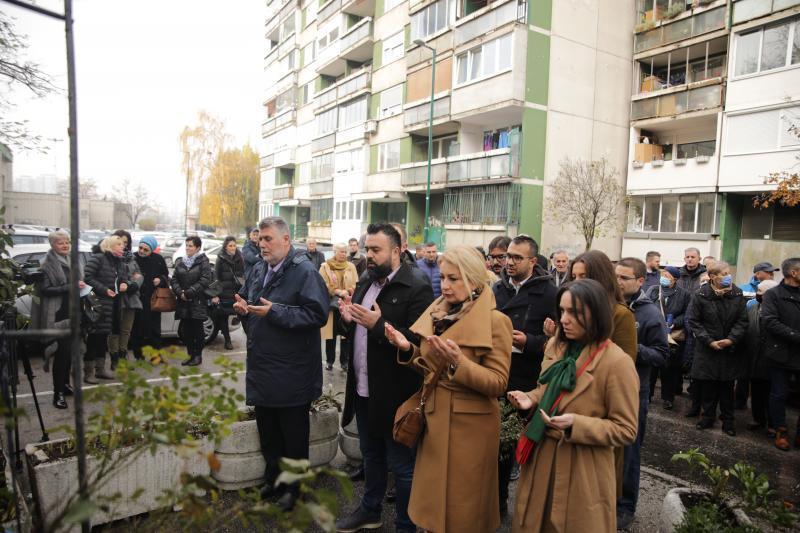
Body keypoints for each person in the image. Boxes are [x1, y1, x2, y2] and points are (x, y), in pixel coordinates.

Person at [384, 245, 513, 533]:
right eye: (442, 277)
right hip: (435, 419)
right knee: (433, 510)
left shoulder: (496, 322)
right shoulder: (439, 312)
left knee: (463, 512)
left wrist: (459, 363)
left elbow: (498, 383)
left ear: (473, 279)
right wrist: (407, 349)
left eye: (453, 279)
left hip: (471, 430)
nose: (445, 285)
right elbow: (432, 370)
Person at [507, 279, 640, 533]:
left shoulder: (617, 363)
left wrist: (576, 424)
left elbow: (626, 429)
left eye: (574, 312)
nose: (564, 319)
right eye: (563, 311)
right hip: (540, 459)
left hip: (582, 470)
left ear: (597, 314)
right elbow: (547, 390)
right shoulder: (559, 346)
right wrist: (531, 399)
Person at [335, 223, 434, 533]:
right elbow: (356, 329)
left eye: (376, 250)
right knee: (371, 456)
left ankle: (406, 525)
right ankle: (370, 510)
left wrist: (379, 326)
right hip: (363, 388)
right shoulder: (366, 279)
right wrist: (347, 320)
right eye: (367, 249)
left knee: (402, 467)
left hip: (395, 395)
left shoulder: (416, 286)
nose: (369, 255)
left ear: (397, 251)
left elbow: (420, 343)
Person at [233, 217, 329, 510]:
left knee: (293, 436)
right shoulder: (259, 268)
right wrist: (243, 310)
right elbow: (254, 309)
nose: (261, 244)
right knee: (269, 431)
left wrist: (275, 312)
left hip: (293, 371)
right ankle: (273, 479)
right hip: (263, 366)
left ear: (286, 240)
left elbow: (317, 315)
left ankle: (295, 488)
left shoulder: (305, 272)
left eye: (268, 239)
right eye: (260, 239)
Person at [492, 235, 557, 515]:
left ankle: (515, 503)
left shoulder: (549, 294)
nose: (509, 262)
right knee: (495, 444)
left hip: (527, 378)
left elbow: (559, 343)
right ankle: (495, 498)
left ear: (533, 261)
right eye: (508, 256)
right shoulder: (497, 290)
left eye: (517, 258)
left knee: (518, 444)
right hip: (496, 371)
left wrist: (528, 342)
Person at [615, 257, 670, 529]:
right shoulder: (609, 307)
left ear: (640, 281)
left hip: (636, 390)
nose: (618, 282)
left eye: (624, 278)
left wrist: (630, 348)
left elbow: (662, 355)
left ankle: (625, 506)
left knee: (629, 449)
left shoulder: (650, 314)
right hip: (608, 388)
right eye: (616, 276)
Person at [687, 260, 748, 437]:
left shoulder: (737, 293)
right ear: (712, 277)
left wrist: (731, 339)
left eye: (729, 273)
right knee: (709, 386)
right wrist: (709, 341)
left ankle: (728, 421)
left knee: (727, 388)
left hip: (729, 349)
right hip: (708, 349)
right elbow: (695, 322)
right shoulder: (701, 294)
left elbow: (742, 321)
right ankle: (707, 417)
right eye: (724, 274)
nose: (728, 276)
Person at [31, 230, 81, 409]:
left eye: (67, 242)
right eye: (61, 243)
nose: (66, 245)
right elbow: (45, 290)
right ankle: (57, 394)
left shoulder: (70, 260)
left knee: (69, 354)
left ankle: (66, 386)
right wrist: (71, 286)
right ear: (53, 245)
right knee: (61, 356)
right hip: (57, 316)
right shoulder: (47, 264)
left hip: (71, 313)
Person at [85, 235, 142, 375]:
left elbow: (124, 278)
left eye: (123, 244)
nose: (123, 246)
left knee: (103, 337)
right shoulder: (98, 258)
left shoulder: (119, 262)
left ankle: (100, 370)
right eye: (119, 244)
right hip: (98, 304)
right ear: (110, 246)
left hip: (113, 304)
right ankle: (88, 372)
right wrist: (104, 289)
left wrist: (125, 283)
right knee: (94, 338)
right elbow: (87, 277)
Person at [565, 250, 637, 361]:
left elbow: (625, 362)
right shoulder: (569, 311)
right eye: (574, 277)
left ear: (600, 278)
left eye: (583, 276)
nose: (576, 282)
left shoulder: (621, 314)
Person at [760, 257, 800, 451]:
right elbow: (770, 322)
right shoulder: (773, 295)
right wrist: (795, 335)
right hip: (780, 353)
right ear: (794, 273)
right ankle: (780, 430)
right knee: (779, 394)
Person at [645, 265, 690, 409]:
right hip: (654, 333)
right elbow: (645, 307)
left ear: (675, 279)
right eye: (663, 274)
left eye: (667, 275)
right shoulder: (653, 290)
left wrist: (674, 323)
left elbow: (686, 314)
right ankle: (648, 395)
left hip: (673, 336)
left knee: (670, 369)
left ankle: (668, 398)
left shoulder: (684, 294)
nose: (664, 277)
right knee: (651, 367)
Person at [170, 235, 213, 367]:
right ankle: (190, 355)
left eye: (191, 246)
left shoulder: (203, 262)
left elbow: (205, 280)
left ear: (198, 248)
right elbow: (174, 279)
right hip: (183, 301)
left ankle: (198, 356)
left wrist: (189, 292)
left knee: (198, 331)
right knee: (186, 331)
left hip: (197, 301)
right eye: (186, 245)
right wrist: (180, 292)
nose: (188, 248)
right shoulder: (181, 262)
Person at [744, 279, 778, 436]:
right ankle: (758, 419)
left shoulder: (779, 311)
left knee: (772, 393)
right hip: (753, 358)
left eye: (761, 292)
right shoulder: (752, 307)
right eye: (758, 290)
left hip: (772, 359)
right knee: (756, 391)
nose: (758, 294)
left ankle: (774, 424)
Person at [320, 243, 358, 372]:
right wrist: (337, 291)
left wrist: (349, 291)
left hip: (347, 304)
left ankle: (344, 362)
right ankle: (330, 361)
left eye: (345, 251)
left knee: (346, 335)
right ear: (334, 252)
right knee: (331, 334)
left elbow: (356, 282)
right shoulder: (326, 266)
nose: (344, 254)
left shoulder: (351, 266)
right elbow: (322, 284)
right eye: (341, 251)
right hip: (331, 305)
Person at [131, 235, 169, 360]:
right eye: (140, 247)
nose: (141, 251)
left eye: (145, 249)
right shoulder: (133, 258)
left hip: (153, 300)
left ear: (152, 250)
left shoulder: (158, 259)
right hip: (137, 299)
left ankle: (156, 355)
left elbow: (166, 276)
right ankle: (139, 355)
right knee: (138, 330)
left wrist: (160, 280)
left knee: (154, 330)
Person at [110, 229, 143, 367]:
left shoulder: (132, 258)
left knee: (126, 330)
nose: (123, 245)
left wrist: (132, 284)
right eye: (120, 242)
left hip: (131, 298)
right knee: (114, 330)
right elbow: (110, 278)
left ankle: (123, 357)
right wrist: (129, 281)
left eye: (126, 242)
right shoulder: (109, 257)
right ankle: (114, 359)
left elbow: (139, 276)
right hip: (116, 299)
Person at [213, 236, 245, 350]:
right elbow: (216, 277)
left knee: (242, 313)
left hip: (237, 292)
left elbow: (243, 274)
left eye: (234, 245)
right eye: (230, 246)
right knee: (224, 316)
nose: (233, 248)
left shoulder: (240, 257)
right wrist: (215, 294)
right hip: (224, 292)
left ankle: (249, 337)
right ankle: (227, 340)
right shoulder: (220, 259)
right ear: (226, 247)